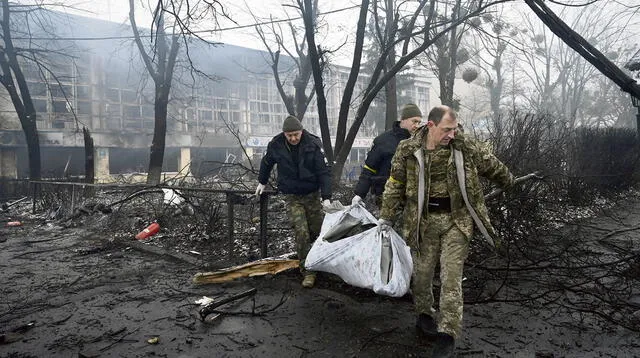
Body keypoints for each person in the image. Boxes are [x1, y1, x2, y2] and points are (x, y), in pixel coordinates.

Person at [377, 106, 514, 357]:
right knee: (423, 273)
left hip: (457, 221)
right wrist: (387, 215)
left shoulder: (463, 146)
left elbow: (490, 164)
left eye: (454, 128)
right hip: (423, 222)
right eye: (447, 129)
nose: (452, 134)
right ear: (430, 126)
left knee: (451, 276)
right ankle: (424, 315)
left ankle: (448, 332)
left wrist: (508, 180)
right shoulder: (408, 150)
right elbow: (395, 183)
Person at [255, 115, 332, 288]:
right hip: (291, 195)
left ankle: (323, 263)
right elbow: (267, 162)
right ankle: (308, 271)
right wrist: (262, 181)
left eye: (296, 134)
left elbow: (324, 172)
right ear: (284, 134)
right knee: (301, 231)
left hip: (312, 194)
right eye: (289, 135)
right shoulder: (276, 145)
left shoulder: (313, 145)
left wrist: (326, 197)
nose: (293, 138)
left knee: (318, 231)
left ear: (301, 131)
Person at [351, 103, 423, 207]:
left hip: (412, 199)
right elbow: (369, 168)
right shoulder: (383, 141)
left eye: (419, 122)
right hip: (386, 197)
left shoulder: (419, 142)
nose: (417, 125)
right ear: (403, 119)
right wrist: (359, 194)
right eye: (414, 121)